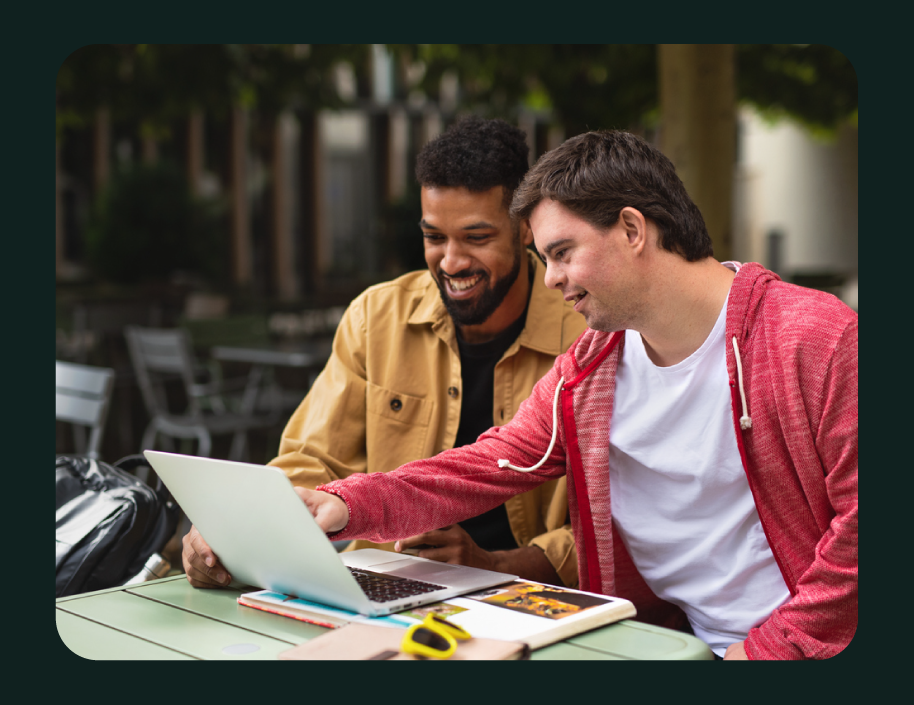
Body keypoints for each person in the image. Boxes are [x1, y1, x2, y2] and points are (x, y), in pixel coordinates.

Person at [295, 130, 858, 660]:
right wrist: (347, 503)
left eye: (563, 252)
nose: (550, 279)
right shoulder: (591, 371)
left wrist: (766, 654)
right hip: (660, 647)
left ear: (633, 230)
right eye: (545, 258)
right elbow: (482, 465)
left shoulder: (814, 338)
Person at [182, 117, 586, 589]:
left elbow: (615, 525)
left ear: (525, 229)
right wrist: (237, 533)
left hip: (529, 601)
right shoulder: (377, 317)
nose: (451, 262)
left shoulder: (586, 334)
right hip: (372, 589)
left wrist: (495, 566)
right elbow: (310, 460)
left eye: (476, 238)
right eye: (434, 237)